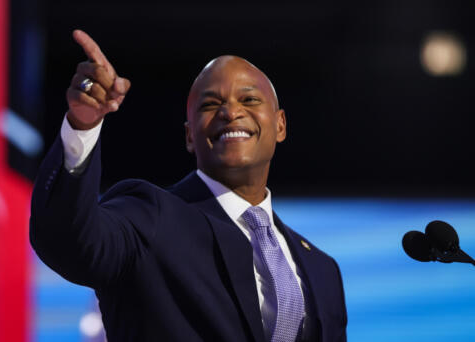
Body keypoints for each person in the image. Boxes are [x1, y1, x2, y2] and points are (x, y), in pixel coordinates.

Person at [30, 30, 347, 342]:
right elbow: (70, 242)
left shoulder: (322, 269)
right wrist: (82, 126)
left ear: (280, 125)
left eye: (249, 99)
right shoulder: (149, 216)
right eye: (210, 105)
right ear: (189, 136)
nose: (230, 112)